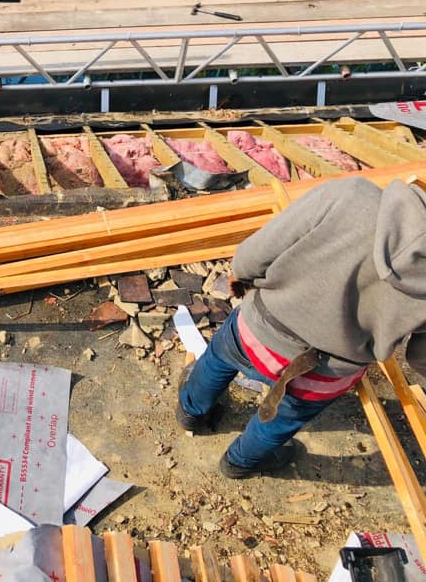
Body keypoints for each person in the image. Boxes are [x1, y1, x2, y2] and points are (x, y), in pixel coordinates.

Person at [177, 176, 426, 479]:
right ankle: (240, 463)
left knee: (217, 361)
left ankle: (192, 412)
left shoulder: (351, 195)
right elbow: (421, 357)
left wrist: (241, 275)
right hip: (325, 372)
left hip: (257, 332)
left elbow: (256, 252)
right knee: (281, 420)